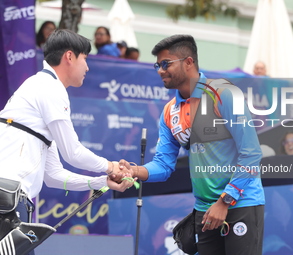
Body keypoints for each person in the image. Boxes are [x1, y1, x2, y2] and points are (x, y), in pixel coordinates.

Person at [121, 34, 265, 255]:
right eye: (157, 65)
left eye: (166, 63)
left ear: (188, 62)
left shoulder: (224, 94)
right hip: (205, 211)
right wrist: (134, 171)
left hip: (241, 203)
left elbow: (252, 153)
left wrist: (225, 201)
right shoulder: (170, 111)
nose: (160, 69)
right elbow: (163, 164)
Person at [0, 29, 135, 254]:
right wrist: (111, 167)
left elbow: (53, 176)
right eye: (85, 58)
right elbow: (73, 153)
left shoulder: (38, 88)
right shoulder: (50, 88)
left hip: (9, 201)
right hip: (7, 201)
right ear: (70, 57)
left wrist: (102, 181)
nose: (88, 67)